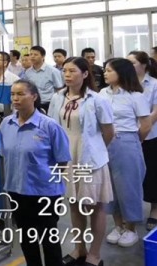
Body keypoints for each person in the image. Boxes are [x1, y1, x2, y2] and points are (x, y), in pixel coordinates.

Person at [48, 57, 114, 266]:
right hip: (67, 158)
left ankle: (94, 254)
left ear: (85, 74)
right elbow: (53, 127)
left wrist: (93, 150)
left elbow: (108, 132)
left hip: (90, 159)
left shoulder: (97, 99)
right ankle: (79, 248)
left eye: (72, 71)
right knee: (74, 204)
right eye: (65, 71)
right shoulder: (57, 97)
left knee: (94, 206)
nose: (67, 75)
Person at [0, 79, 71, 266]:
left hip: (45, 192)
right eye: (13, 94)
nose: (15, 98)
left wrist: (45, 179)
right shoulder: (6, 124)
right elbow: (6, 155)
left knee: (48, 238)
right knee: (26, 236)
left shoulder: (49, 126)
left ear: (34, 96)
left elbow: (62, 160)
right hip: (16, 190)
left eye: (21, 94)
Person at [100, 58, 151, 247]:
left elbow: (145, 125)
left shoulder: (135, 95)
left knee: (129, 186)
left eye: (109, 70)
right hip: (104, 143)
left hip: (126, 141)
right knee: (110, 187)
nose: (105, 73)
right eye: (105, 70)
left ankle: (131, 228)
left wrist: (133, 141)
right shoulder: (102, 94)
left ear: (121, 73)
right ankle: (118, 225)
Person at [127, 51, 157, 231]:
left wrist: (142, 131)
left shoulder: (154, 84)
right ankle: (130, 213)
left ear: (144, 65)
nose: (129, 66)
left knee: (152, 174)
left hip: (150, 135)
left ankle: (154, 211)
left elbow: (155, 112)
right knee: (130, 176)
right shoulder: (126, 84)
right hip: (128, 137)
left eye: (133, 62)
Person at [24, 45, 64, 113]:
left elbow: (59, 89)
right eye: (31, 54)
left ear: (43, 56)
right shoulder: (28, 72)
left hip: (49, 104)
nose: (32, 56)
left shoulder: (53, 71)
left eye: (35, 54)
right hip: (33, 104)